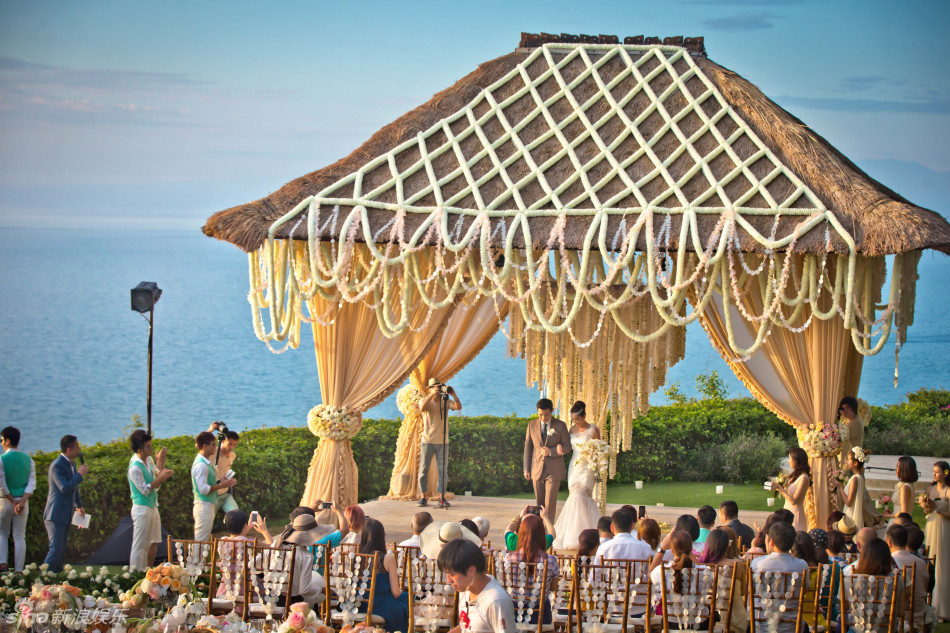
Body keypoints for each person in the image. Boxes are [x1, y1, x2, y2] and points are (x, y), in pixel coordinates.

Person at [552, 400, 601, 549]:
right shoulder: (571, 430)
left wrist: (594, 459)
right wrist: (559, 446)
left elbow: (599, 449)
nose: (575, 422)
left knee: (583, 496)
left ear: (584, 416)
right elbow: (567, 446)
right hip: (575, 466)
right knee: (573, 496)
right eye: (573, 419)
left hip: (587, 468)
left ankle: (587, 535)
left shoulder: (593, 429)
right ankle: (572, 536)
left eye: (578, 419)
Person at [438, 538, 516, 633]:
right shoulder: (466, 589)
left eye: (452, 574)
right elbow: (466, 627)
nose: (449, 580)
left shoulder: (496, 601)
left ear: (471, 570)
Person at [749, 522, 810, 633]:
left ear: (771, 541)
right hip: (793, 627)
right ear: (793, 544)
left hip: (760, 627)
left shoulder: (757, 564)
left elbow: (750, 591)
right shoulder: (802, 565)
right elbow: (804, 590)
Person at [127, 429, 174, 571]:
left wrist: (161, 466)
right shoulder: (135, 468)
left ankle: (148, 571)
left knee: (154, 541)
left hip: (153, 506)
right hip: (141, 508)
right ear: (140, 449)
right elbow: (145, 490)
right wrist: (160, 478)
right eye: (148, 446)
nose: (151, 448)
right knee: (140, 544)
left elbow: (155, 478)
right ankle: (135, 573)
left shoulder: (149, 460)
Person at [43, 435, 88, 572]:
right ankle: (42, 577)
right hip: (55, 513)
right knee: (55, 549)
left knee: (61, 550)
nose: (79, 449)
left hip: (66, 513)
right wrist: (79, 475)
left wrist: (78, 505)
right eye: (77, 446)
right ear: (69, 449)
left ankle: (55, 579)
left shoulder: (72, 464)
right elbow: (64, 487)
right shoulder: (57, 465)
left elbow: (73, 489)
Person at [522, 398, 571, 525]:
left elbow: (567, 446)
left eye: (546, 415)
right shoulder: (531, 425)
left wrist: (551, 451)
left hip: (553, 471)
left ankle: (548, 536)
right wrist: (526, 469)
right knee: (539, 505)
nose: (543, 418)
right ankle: (538, 534)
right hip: (537, 470)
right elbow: (528, 448)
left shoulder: (560, 425)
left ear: (553, 411)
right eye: (540, 415)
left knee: (549, 505)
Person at [504, 514, 559, 625]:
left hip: (513, 612)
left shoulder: (509, 558)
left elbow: (505, 583)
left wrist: (518, 517)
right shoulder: (551, 560)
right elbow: (554, 587)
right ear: (542, 534)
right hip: (541, 615)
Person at [358, 517, 409, 632]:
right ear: (382, 536)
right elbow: (396, 593)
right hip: (381, 606)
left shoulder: (355, 557)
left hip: (359, 605)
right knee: (407, 599)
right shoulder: (387, 558)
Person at [417, 379, 462, 507]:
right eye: (435, 387)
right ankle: (423, 497)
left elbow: (458, 407)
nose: (437, 389)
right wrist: (432, 395)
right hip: (427, 440)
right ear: (429, 388)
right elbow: (422, 409)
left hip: (443, 441)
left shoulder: (446, 401)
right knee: (424, 469)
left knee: (443, 470)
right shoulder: (424, 400)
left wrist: (454, 395)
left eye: (439, 387)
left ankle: (441, 497)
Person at [0, 426, 36, 572]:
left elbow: (1, 484)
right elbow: (31, 484)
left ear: (7, 441)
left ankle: (2, 564)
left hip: (5, 502)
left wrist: (12, 501)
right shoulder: (28, 459)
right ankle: (19, 571)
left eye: (1, 440)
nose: (1, 443)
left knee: (2, 533)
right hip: (23, 502)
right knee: (20, 537)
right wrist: (21, 502)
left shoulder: (2, 460)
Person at [649, 530, 707, 616]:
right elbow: (700, 567)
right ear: (691, 548)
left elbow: (650, 574)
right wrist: (690, 553)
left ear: (672, 551)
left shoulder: (662, 570)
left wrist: (662, 549)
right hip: (701, 623)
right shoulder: (704, 571)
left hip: (671, 623)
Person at [192, 431, 236, 541]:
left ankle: (199, 558)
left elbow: (208, 484)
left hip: (208, 504)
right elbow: (203, 489)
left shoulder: (206, 462)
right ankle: (197, 559)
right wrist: (221, 485)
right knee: (201, 541)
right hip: (203, 506)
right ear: (204, 446)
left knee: (203, 540)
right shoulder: (201, 465)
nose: (215, 447)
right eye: (213, 445)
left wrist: (221, 481)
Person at [886, 523, 932, 630]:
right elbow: (925, 587)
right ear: (907, 541)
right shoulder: (921, 562)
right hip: (919, 617)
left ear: (889, 543)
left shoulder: (887, 563)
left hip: (897, 620)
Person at [922, 460, 950, 621]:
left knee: (942, 564)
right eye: (933, 471)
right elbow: (926, 509)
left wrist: (937, 509)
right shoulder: (929, 489)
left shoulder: (948, 491)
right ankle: (927, 604)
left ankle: (942, 607)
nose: (934, 474)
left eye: (937, 471)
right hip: (931, 526)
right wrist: (926, 507)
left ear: (945, 473)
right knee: (929, 559)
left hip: (944, 528)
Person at [834, 446, 880, 530]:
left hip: (851, 513)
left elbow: (848, 502)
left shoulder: (855, 479)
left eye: (849, 460)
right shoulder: (861, 477)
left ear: (855, 463)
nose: (847, 461)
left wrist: (840, 487)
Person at [771, 447, 810, 532]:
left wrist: (780, 488)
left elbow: (794, 500)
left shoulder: (804, 478)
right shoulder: (796, 475)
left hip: (796, 514)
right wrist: (778, 487)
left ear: (797, 461)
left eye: (790, 458)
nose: (789, 461)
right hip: (787, 511)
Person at [207, 422, 240, 516]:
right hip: (213, 495)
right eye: (230, 444)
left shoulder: (232, 455)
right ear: (223, 441)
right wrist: (211, 429)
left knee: (237, 516)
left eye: (234, 445)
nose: (231, 447)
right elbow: (202, 444)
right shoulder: (213, 452)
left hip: (226, 494)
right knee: (207, 522)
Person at [837, 396, 864, 460]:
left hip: (851, 458)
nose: (844, 411)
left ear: (853, 408)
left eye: (847, 408)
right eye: (843, 409)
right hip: (848, 457)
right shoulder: (849, 420)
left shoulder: (855, 422)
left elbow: (844, 438)